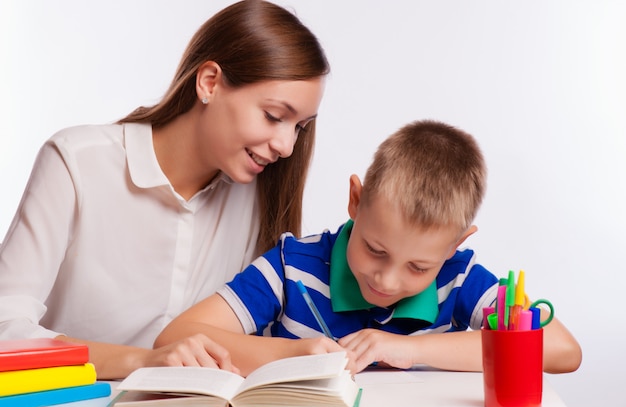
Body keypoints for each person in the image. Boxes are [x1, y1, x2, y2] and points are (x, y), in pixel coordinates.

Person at [0, 0, 329, 379]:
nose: (287, 147)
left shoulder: (256, 195)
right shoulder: (76, 163)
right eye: (274, 116)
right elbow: (7, 328)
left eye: (300, 127)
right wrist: (142, 361)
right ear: (209, 83)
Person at [155, 120, 582, 376]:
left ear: (455, 246)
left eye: (418, 266)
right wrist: (291, 353)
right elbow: (174, 336)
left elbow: (563, 350)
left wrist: (408, 349)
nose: (387, 279)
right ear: (355, 201)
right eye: (376, 250)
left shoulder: (460, 278)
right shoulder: (291, 267)